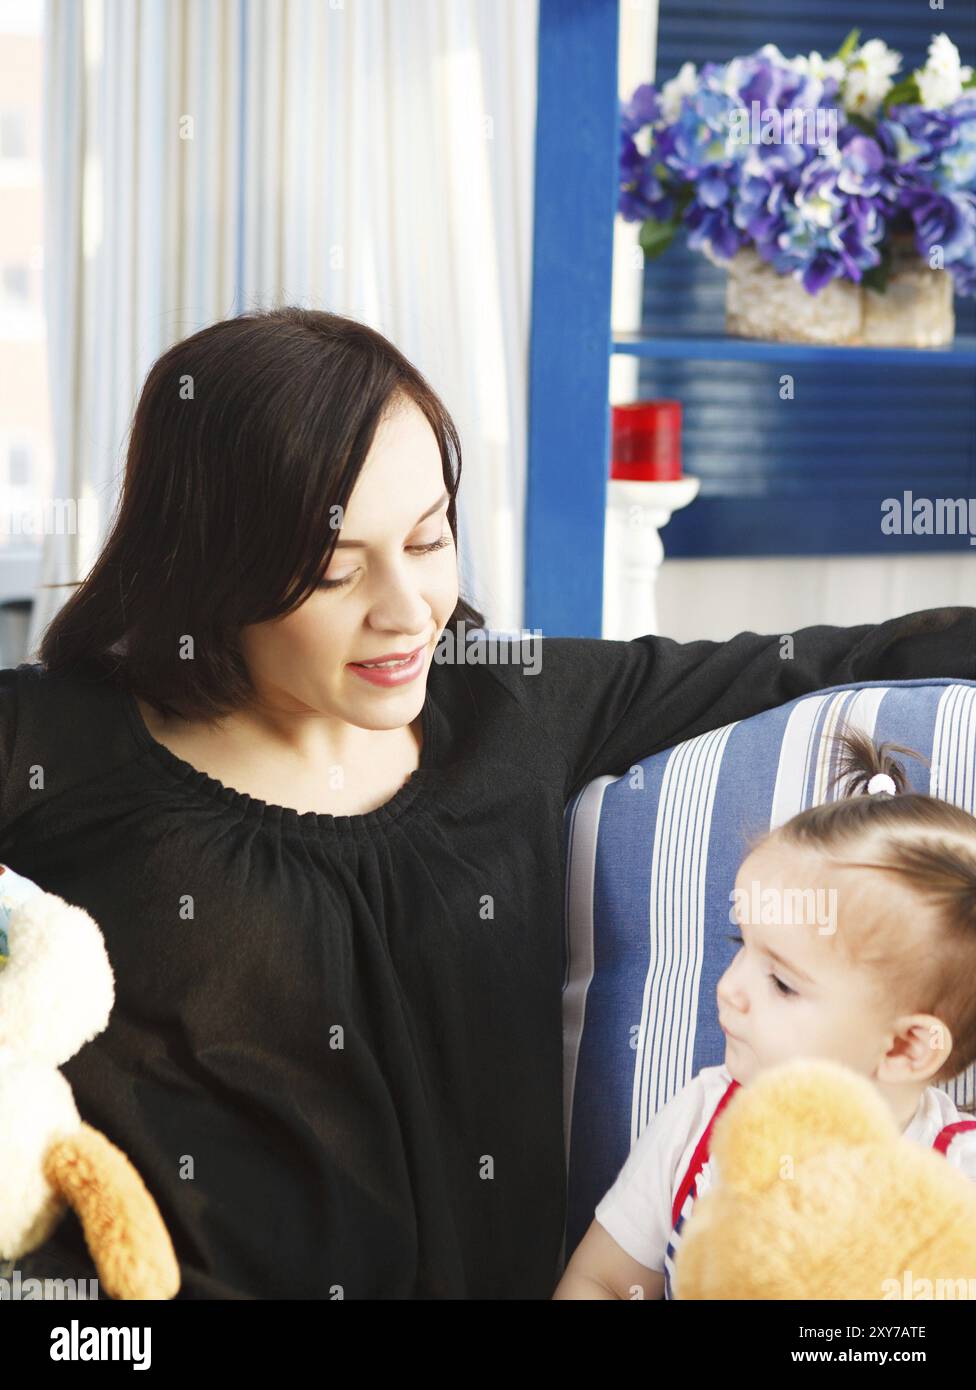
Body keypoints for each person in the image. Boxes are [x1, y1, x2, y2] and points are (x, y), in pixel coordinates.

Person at [0, 306, 973, 1299]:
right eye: (336, 571)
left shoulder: (508, 707)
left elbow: (810, 661)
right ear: (215, 568)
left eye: (428, 541)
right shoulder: (52, 742)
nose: (406, 608)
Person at [554, 727, 976, 1301]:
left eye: (781, 981)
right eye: (738, 944)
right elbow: (601, 1279)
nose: (729, 989)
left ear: (904, 1048)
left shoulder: (957, 1179)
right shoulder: (699, 1121)